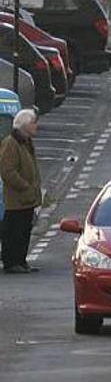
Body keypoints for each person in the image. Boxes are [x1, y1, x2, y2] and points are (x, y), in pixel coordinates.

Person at [0, 109, 41, 274]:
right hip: (16, 199)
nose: (36, 126)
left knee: (24, 230)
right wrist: (24, 186)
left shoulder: (26, 142)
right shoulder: (11, 143)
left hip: (28, 198)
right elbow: (8, 171)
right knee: (14, 230)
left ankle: (21, 260)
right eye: (33, 123)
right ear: (24, 125)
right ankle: (12, 262)